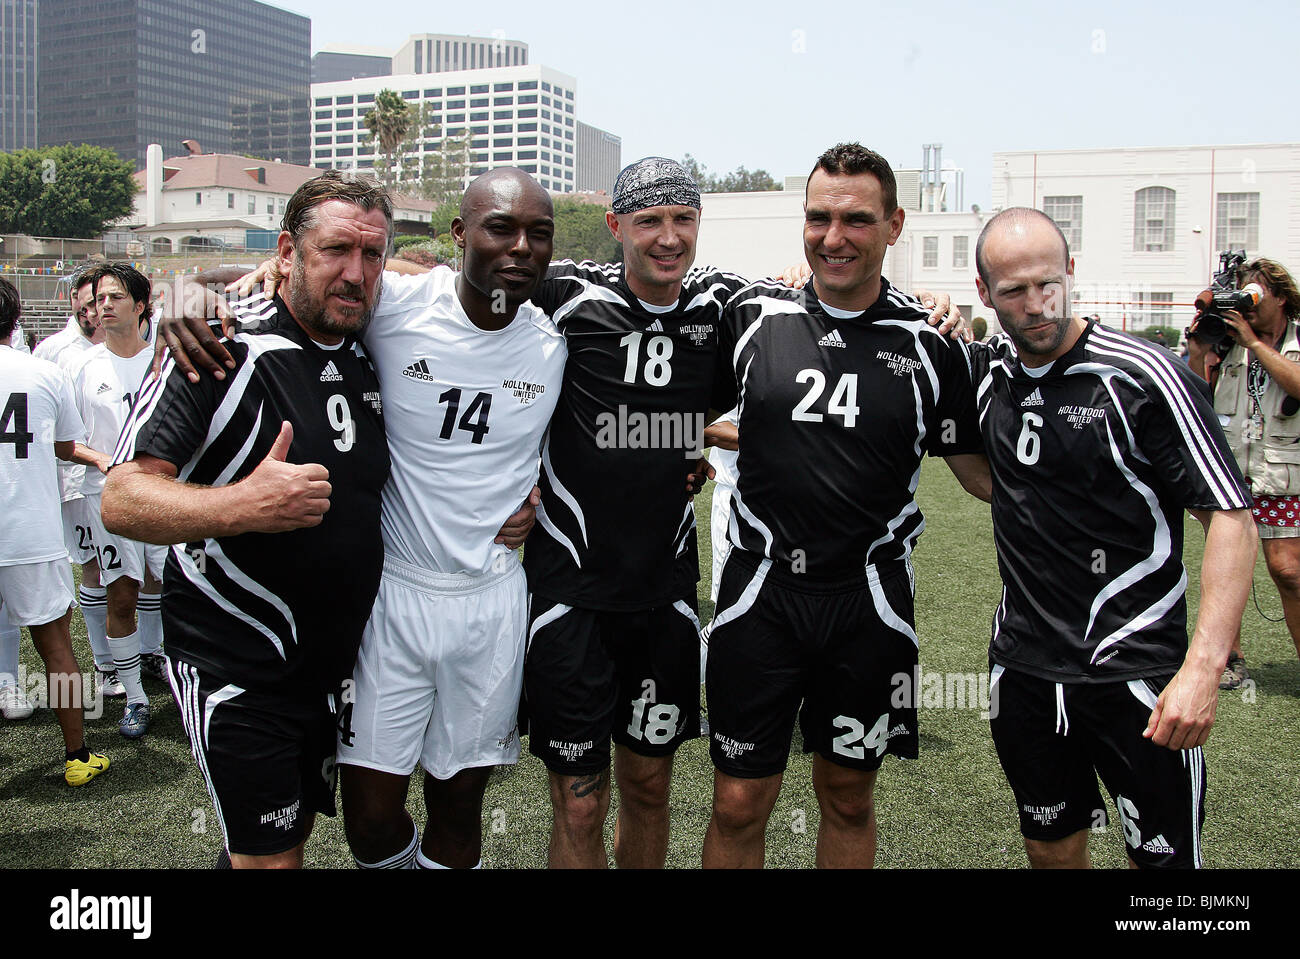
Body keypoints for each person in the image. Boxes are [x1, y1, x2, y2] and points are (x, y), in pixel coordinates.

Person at [157, 167, 563, 870]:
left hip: (491, 597)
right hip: (393, 597)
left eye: (539, 234)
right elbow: (304, 275)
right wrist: (180, 292)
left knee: (460, 808)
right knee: (369, 819)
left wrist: (541, 501)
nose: (521, 247)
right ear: (460, 234)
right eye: (500, 228)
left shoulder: (555, 340)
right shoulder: (396, 306)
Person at [702, 143, 989, 868]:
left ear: (894, 225)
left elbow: (980, 475)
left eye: (856, 220)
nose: (834, 237)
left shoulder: (933, 340)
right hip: (759, 595)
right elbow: (670, 405)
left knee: (851, 796)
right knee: (738, 801)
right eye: (818, 218)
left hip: (869, 602)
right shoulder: (751, 314)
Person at [103, 172, 392, 869]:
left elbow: (449, 270)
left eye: (373, 255)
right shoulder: (218, 344)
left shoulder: (365, 340)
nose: (356, 274)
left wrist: (195, 277)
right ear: (288, 251)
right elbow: (122, 496)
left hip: (329, 666)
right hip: (236, 663)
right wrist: (244, 506)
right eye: (335, 251)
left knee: (269, 846)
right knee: (271, 857)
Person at [967, 207, 1257, 868]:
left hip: (1136, 676)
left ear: (1071, 272)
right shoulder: (985, 376)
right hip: (1023, 671)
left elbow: (1230, 519)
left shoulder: (1144, 376)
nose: (1036, 304)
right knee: (1049, 849)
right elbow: (990, 477)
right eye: (1013, 291)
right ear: (985, 293)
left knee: (1164, 869)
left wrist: (1204, 669)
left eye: (1048, 283)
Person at [0, 276, 110, 785]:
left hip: (29, 530)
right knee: (57, 647)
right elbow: (68, 446)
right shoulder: (44, 372)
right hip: (30, 531)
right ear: (17, 316)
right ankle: (76, 757)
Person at [1188, 257, 1300, 689]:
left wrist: (1253, 342)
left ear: (1281, 297)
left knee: (1289, 571)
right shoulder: (1228, 344)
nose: (1247, 305)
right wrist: (1200, 352)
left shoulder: (1288, 340)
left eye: (1255, 296)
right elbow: (1198, 394)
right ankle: (1229, 659)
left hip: (1282, 472)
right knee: (1225, 567)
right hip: (1234, 468)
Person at [66, 265, 165, 738]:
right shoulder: (82, 368)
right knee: (121, 591)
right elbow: (65, 443)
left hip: (167, 496)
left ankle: (180, 675)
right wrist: (103, 459)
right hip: (108, 499)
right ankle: (135, 698)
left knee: (177, 591)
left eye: (115, 298)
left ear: (141, 306)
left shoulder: (163, 362)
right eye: (99, 299)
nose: (103, 306)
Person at [34, 268, 118, 700]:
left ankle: (142, 655)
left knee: (138, 572)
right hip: (75, 478)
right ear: (72, 302)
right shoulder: (53, 351)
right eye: (85, 305)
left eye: (100, 303)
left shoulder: (124, 343)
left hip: (124, 479)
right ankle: (104, 664)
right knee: (94, 567)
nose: (94, 313)